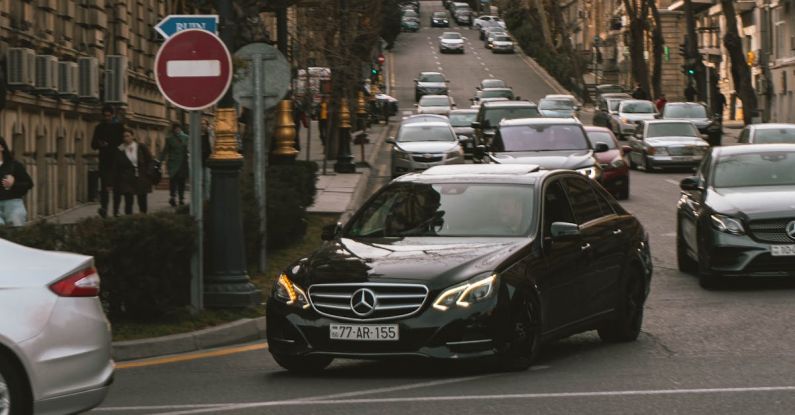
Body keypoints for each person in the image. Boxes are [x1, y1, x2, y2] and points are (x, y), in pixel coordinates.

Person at [91, 105, 124, 217]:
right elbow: (93, 144)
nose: (107, 118)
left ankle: (116, 210)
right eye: (105, 116)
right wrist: (100, 144)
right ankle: (104, 209)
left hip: (116, 161)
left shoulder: (119, 127)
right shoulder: (99, 128)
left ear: (113, 115)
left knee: (117, 188)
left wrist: (118, 151)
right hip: (104, 160)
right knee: (105, 187)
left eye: (109, 116)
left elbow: (123, 143)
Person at [113, 129, 154, 215]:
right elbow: (117, 164)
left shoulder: (141, 146)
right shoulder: (120, 148)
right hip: (127, 178)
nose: (126, 138)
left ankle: (143, 217)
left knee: (142, 200)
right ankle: (129, 218)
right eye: (124, 136)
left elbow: (150, 160)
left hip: (141, 177)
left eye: (128, 136)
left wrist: (148, 172)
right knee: (128, 200)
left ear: (133, 136)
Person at [0, 137, 33, 226]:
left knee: (16, 232)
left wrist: (13, 184)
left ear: (2, 147)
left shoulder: (14, 165)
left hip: (13, 204)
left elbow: (29, 184)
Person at [161, 123, 189, 207]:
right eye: (175, 128)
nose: (177, 130)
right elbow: (165, 150)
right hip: (173, 163)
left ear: (180, 128)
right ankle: (172, 197)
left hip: (183, 163)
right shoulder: (169, 139)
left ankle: (181, 198)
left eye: (178, 128)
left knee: (182, 181)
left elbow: (189, 149)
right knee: (173, 181)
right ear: (173, 129)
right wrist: (159, 161)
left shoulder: (186, 137)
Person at [201, 118, 213, 199]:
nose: (202, 126)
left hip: (208, 160)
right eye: (201, 124)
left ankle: (207, 198)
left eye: (204, 124)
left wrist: (210, 131)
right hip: (199, 161)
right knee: (200, 181)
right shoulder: (197, 135)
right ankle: (201, 199)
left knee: (207, 180)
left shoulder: (210, 135)